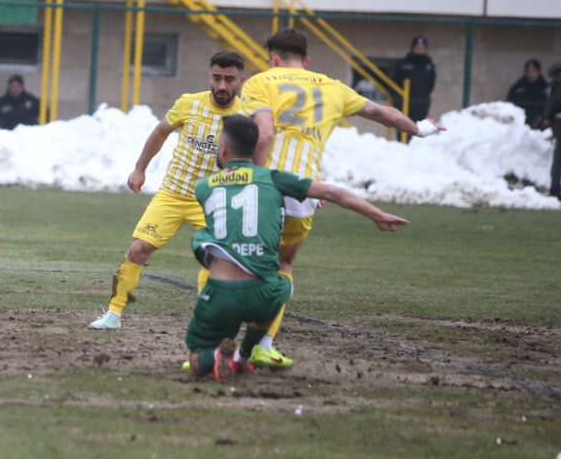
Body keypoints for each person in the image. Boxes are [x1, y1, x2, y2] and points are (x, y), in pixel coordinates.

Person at [240, 27, 443, 368]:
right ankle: (264, 343)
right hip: (304, 191)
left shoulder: (260, 82)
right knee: (283, 265)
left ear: (273, 58)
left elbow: (265, 132)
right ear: (307, 60)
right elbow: (385, 114)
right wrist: (422, 128)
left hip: (266, 185)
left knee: (241, 263)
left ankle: (225, 340)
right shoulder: (332, 87)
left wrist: (250, 178)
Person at [185, 115, 410, 381]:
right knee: (284, 282)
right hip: (263, 295)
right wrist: (377, 215)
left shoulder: (203, 187)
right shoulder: (275, 178)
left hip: (221, 294)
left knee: (196, 362)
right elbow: (332, 193)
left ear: (223, 148)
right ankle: (244, 355)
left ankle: (219, 357)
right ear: (256, 147)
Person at [88, 51, 248, 331]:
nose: (222, 86)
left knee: (217, 261)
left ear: (241, 80)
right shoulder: (189, 104)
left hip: (214, 201)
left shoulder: (246, 115)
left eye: (229, 80)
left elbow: (261, 154)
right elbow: (161, 131)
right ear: (209, 76)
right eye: (217, 78)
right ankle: (113, 315)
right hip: (173, 194)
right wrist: (140, 168)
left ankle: (211, 321)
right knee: (139, 249)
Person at [390, 35, 436, 142]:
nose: (420, 50)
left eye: (422, 48)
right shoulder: (403, 64)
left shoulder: (429, 66)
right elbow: (394, 81)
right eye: (417, 47)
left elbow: (431, 84)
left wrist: (423, 97)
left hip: (421, 103)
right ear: (413, 48)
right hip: (403, 102)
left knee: (417, 130)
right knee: (402, 129)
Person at [541, 61, 561, 201]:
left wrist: (548, 116)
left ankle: (555, 189)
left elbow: (556, 100)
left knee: (559, 158)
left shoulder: (560, 81)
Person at [506, 58, 548, 128]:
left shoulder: (545, 88)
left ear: (539, 72)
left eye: (533, 71)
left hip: (540, 124)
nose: (530, 74)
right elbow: (510, 103)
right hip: (521, 123)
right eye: (528, 71)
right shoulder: (518, 87)